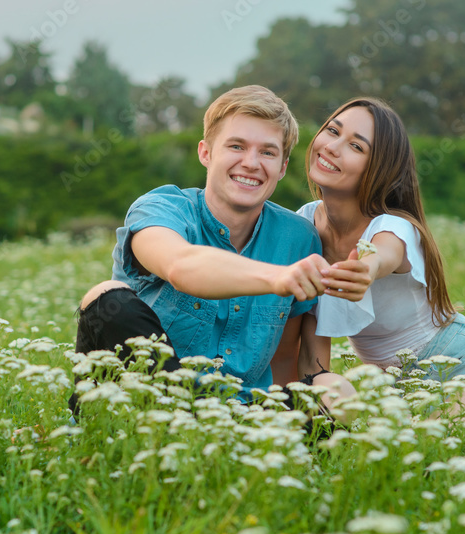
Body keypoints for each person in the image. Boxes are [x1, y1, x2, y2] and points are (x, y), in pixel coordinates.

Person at [71, 85, 329, 411]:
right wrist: (277, 278)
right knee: (106, 296)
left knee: (335, 394)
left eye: (267, 152)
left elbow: (284, 360)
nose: (251, 163)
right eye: (236, 146)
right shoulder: (162, 208)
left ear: (282, 167)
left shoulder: (298, 239)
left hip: (240, 417)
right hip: (143, 406)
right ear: (205, 153)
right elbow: (181, 266)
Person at [280, 97, 465, 412]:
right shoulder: (300, 228)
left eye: (357, 147)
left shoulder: (393, 226)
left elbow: (383, 253)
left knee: (452, 441)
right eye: (332, 131)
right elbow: (313, 360)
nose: (332, 147)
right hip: (397, 389)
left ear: (379, 169)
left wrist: (367, 268)